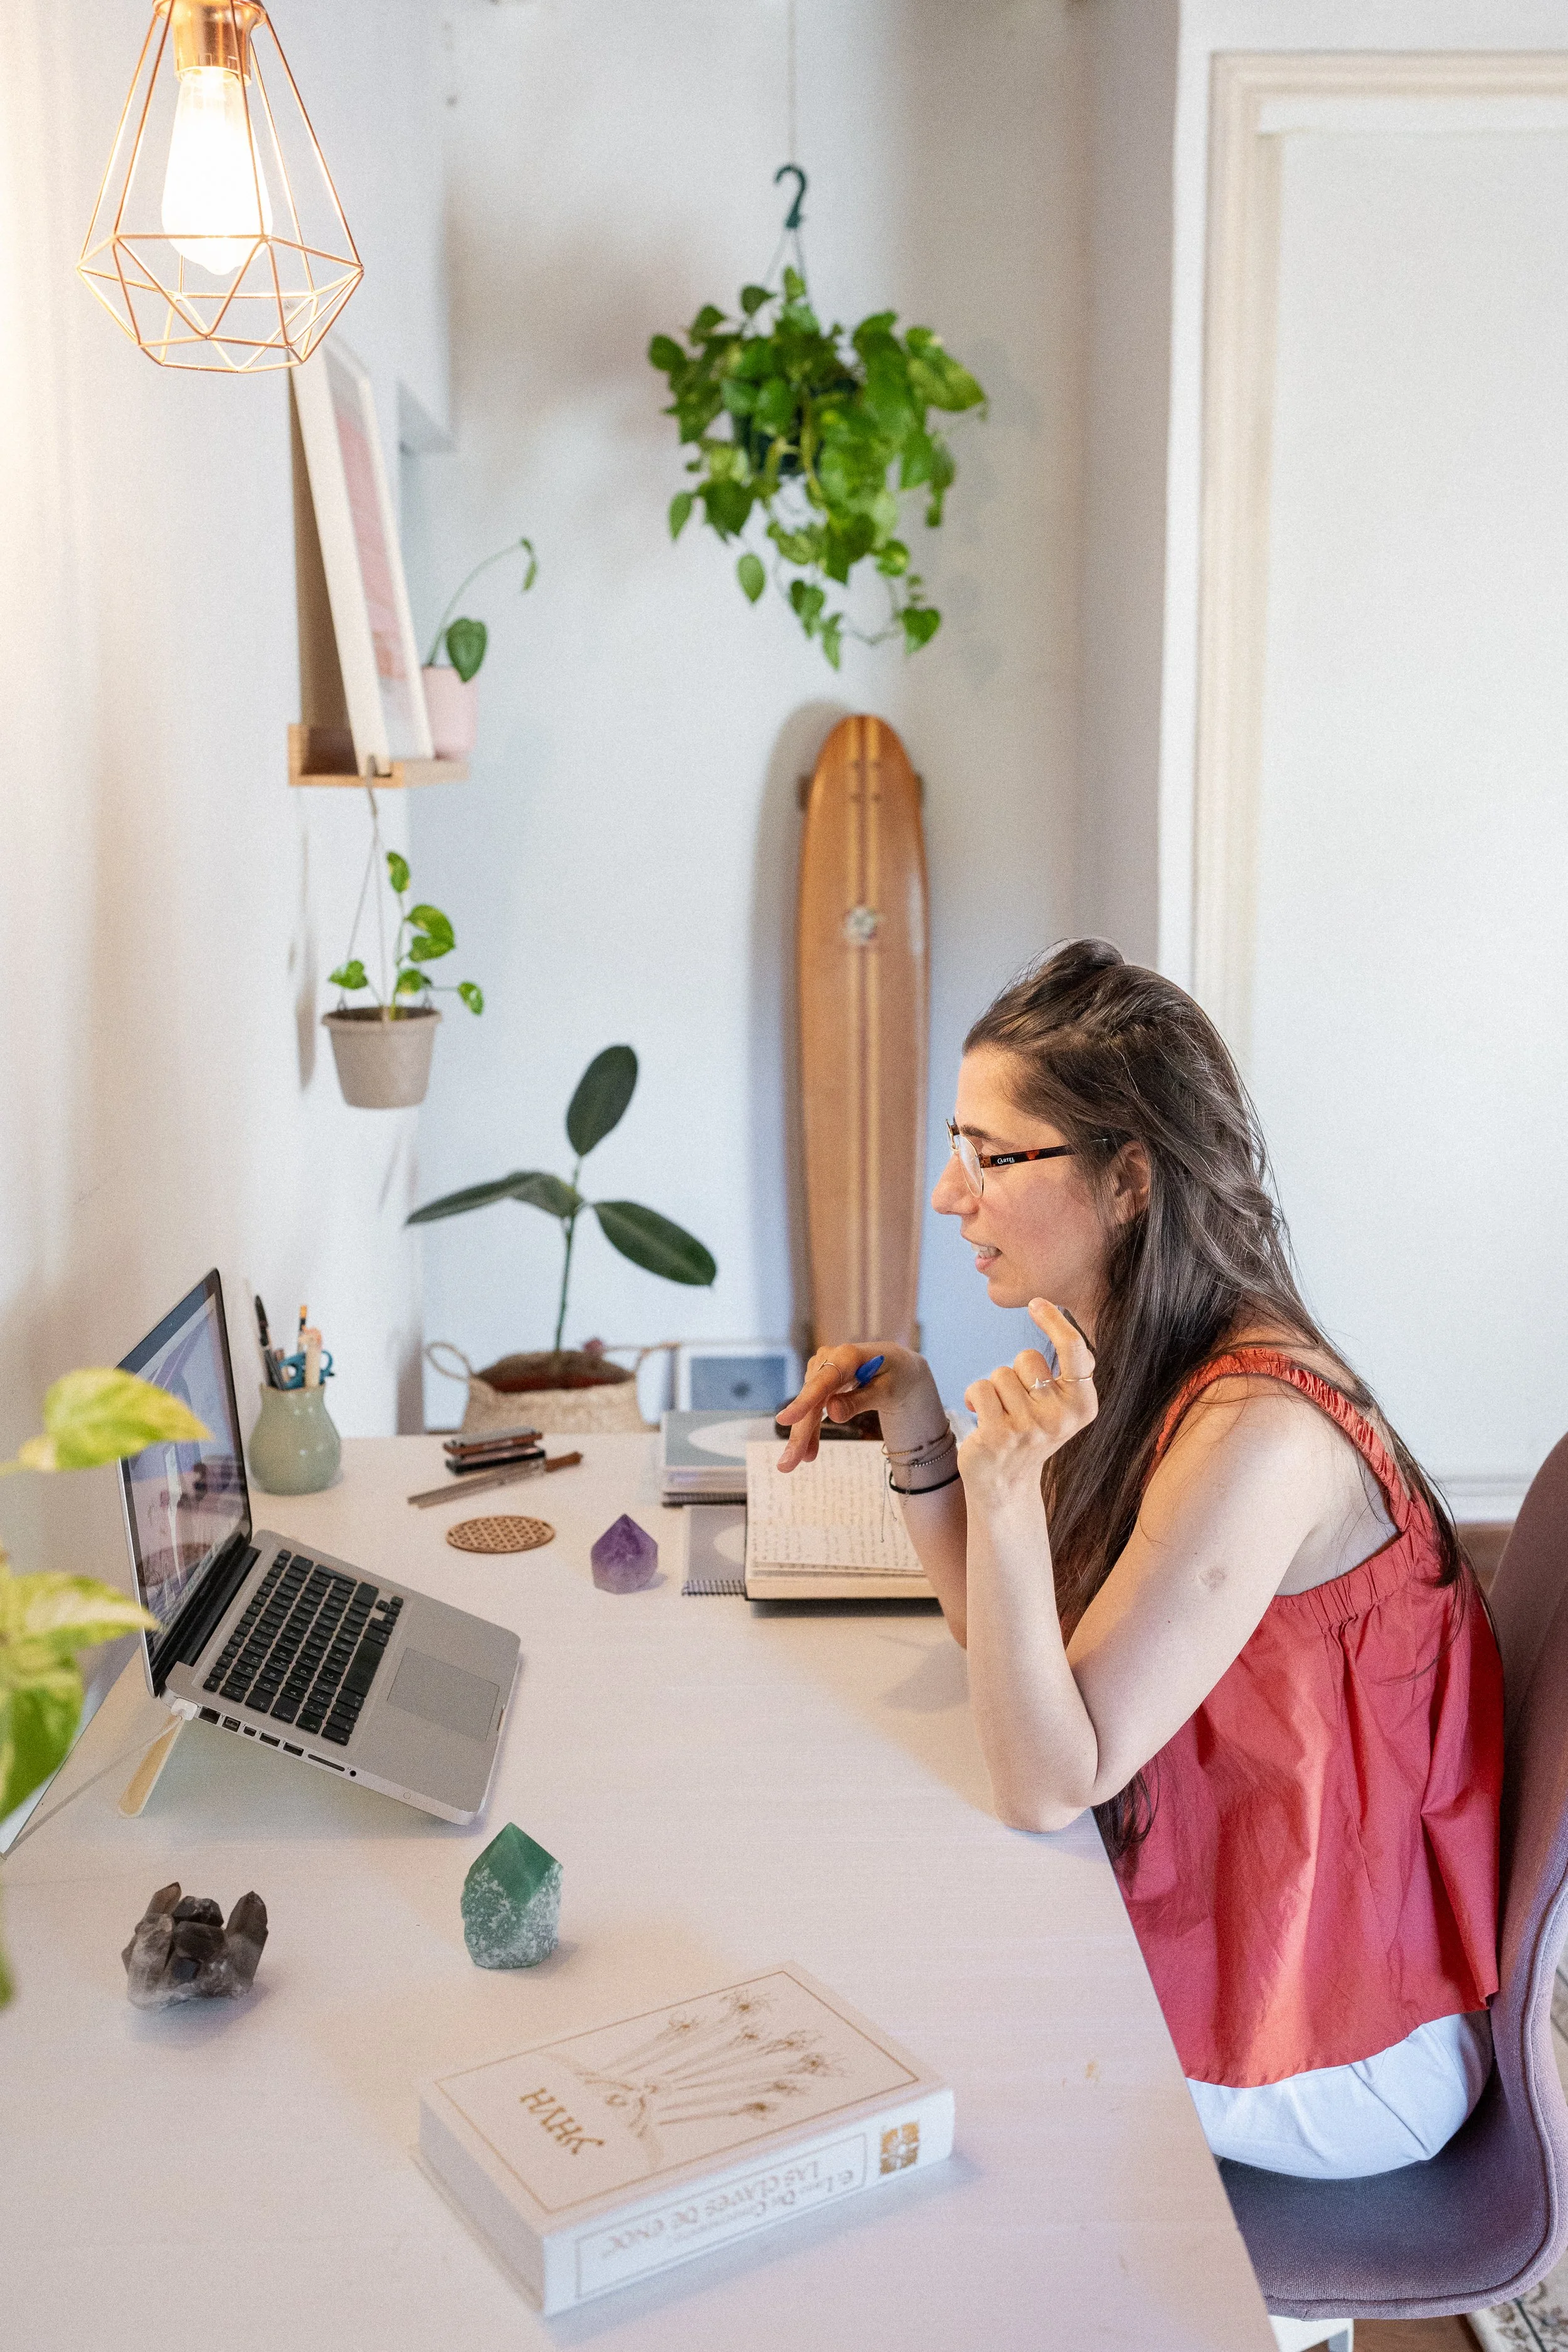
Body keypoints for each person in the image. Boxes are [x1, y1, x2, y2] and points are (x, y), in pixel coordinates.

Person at [777, 939, 1503, 2180]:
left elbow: (1043, 1781)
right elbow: (1011, 1654)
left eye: (990, 1158)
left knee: (882, 2036)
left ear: (1126, 1183)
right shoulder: (1141, 1355)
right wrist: (915, 1421)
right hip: (1260, 1935)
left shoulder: (1255, 1433)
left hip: (1340, 2040)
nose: (950, 1199)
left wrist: (1008, 1501)